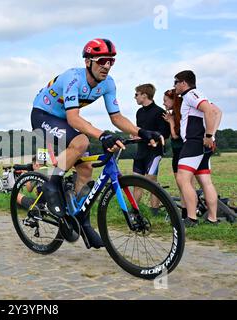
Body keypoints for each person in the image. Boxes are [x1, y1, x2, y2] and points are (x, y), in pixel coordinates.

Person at [31, 38, 164, 249]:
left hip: (63, 119)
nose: (107, 66)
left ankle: (80, 219)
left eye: (112, 61)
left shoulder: (108, 84)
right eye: (102, 60)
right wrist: (103, 136)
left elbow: (117, 117)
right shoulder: (73, 78)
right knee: (82, 141)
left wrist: (142, 132)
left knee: (85, 169)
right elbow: (74, 119)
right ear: (88, 62)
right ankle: (52, 185)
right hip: (43, 114)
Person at [173, 70, 222, 227]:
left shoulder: (191, 94)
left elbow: (209, 110)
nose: (174, 86)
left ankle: (191, 218)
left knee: (183, 178)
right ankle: (212, 219)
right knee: (205, 181)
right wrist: (211, 136)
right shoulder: (197, 95)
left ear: (183, 83)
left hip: (194, 142)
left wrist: (209, 135)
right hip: (201, 143)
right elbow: (217, 111)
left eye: (176, 82)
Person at [133, 84, 170, 216]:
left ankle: (154, 211)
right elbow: (139, 130)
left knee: (150, 181)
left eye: (136, 94)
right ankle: (134, 212)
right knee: (136, 182)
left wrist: (151, 136)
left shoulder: (160, 112)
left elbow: (165, 134)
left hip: (154, 153)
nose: (134, 97)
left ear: (144, 95)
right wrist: (135, 135)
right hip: (140, 152)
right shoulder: (139, 112)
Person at [162, 89, 189, 219]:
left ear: (174, 101)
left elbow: (175, 135)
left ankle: (187, 214)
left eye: (166, 101)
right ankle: (186, 213)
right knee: (181, 186)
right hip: (176, 153)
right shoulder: (174, 114)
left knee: (185, 185)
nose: (164, 104)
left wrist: (171, 122)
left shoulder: (181, 115)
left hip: (182, 152)